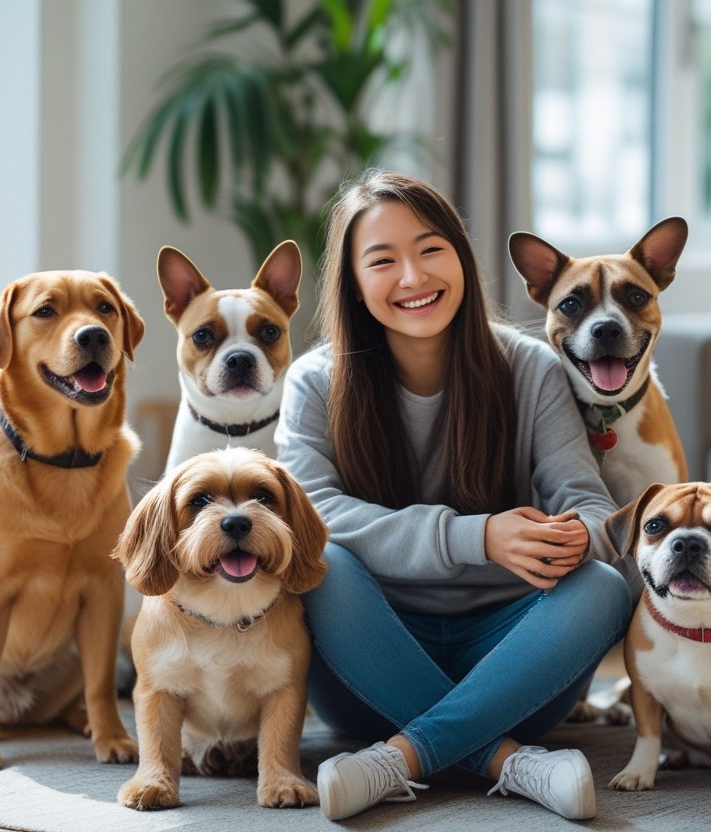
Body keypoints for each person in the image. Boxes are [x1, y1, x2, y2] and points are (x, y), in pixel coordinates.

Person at [275, 169, 635, 821]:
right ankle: (508, 762)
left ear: (462, 258)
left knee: (606, 585)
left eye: (431, 249)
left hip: (514, 662)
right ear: (354, 285)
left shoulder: (529, 369)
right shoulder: (315, 382)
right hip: (366, 665)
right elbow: (312, 517)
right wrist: (477, 536)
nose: (414, 278)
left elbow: (591, 508)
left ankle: (400, 760)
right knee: (321, 565)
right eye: (383, 261)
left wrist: (579, 535)